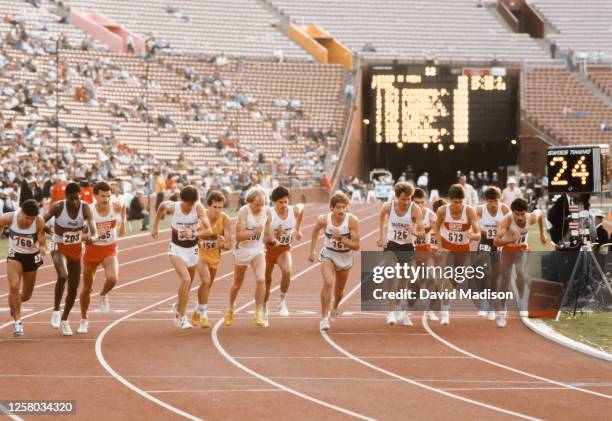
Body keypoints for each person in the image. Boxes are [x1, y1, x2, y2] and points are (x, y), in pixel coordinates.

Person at [152, 185, 212, 329]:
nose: (189, 206)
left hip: (193, 250)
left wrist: (193, 234)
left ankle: (178, 305)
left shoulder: (198, 208)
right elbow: (161, 207)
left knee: (188, 284)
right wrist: (155, 226)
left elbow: (209, 230)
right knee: (185, 279)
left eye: (192, 204)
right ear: (181, 199)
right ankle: (181, 317)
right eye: (187, 203)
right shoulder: (173, 207)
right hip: (177, 250)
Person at [44, 183, 98, 336]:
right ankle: (55, 310)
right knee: (63, 275)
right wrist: (48, 229)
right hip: (58, 245)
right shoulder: (58, 207)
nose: (75, 202)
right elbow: (41, 221)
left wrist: (92, 238)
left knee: (73, 289)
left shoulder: (85, 208)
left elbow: (95, 232)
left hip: (75, 249)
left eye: (77, 199)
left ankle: (65, 320)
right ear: (66, 197)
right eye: (72, 199)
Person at [78, 182, 126, 333]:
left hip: (109, 248)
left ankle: (103, 294)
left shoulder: (115, 206)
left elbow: (123, 207)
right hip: (92, 250)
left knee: (113, 278)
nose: (106, 199)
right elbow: (78, 234)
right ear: (95, 196)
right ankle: (84, 319)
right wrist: (89, 237)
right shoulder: (88, 211)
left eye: (108, 196)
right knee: (87, 288)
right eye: (103, 196)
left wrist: (123, 223)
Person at [309, 192, 360, 331]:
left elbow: (356, 246)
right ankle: (324, 318)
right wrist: (312, 250)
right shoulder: (323, 220)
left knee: (339, 291)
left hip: (345, 256)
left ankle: (335, 306)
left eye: (344, 207)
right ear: (331, 208)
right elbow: (315, 230)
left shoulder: (352, 221)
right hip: (329, 253)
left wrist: (341, 239)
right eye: (338, 207)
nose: (341, 210)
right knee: (328, 282)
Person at [225, 189, 275, 327]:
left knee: (261, 279)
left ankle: (258, 311)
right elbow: (239, 236)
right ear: (250, 202)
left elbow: (268, 226)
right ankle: (230, 308)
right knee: (237, 283)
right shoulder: (244, 212)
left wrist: (272, 238)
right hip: (243, 250)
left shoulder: (267, 211)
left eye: (262, 204)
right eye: (257, 204)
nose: (260, 207)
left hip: (257, 249)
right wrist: (253, 232)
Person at [377, 182, 424, 326]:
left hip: (407, 246)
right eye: (403, 199)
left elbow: (422, 234)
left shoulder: (415, 210)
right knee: (393, 275)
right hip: (391, 245)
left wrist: (414, 231)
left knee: (405, 281)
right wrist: (381, 236)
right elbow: (382, 219)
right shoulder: (388, 207)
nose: (406, 202)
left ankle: (402, 312)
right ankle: (391, 313)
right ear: (397, 197)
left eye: (408, 199)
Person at [494, 198, 547, 327]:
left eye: (522, 214)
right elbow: (496, 241)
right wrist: (511, 238)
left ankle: (522, 303)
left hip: (521, 250)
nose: (519, 217)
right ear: (512, 212)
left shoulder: (531, 218)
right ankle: (502, 310)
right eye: (516, 214)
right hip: (507, 251)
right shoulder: (507, 220)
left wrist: (542, 234)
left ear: (526, 212)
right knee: (505, 280)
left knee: (521, 272)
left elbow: (539, 213)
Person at [434, 184, 481, 325]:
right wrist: (440, 246)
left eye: (461, 201)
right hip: (447, 249)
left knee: (454, 282)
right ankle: (445, 312)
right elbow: (436, 228)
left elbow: (478, 234)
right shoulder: (442, 211)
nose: (458, 205)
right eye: (455, 202)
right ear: (450, 200)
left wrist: (472, 235)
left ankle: (442, 302)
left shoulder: (469, 212)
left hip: (462, 251)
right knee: (447, 279)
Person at [1, 199, 47, 336]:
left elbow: (41, 236)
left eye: (31, 219)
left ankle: (15, 306)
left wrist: (43, 247)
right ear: (21, 212)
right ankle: (18, 323)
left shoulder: (39, 221)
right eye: (27, 218)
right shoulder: (9, 217)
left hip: (31, 257)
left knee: (26, 295)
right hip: (15, 255)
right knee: (14, 287)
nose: (29, 221)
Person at [263, 187, 304, 326]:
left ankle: (282, 301)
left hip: (283, 248)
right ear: (274, 202)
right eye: (280, 202)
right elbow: (262, 238)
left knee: (287, 271)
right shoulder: (269, 214)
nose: (284, 205)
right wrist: (274, 236)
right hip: (268, 248)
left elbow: (302, 207)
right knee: (266, 280)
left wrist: (297, 229)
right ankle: (264, 307)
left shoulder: (294, 211)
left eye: (286, 202)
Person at [192, 190, 232, 328]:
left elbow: (228, 245)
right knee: (205, 280)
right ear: (209, 206)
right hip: (199, 254)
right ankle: (204, 315)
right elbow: (191, 236)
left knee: (207, 286)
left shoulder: (225, 219)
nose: (217, 210)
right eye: (214, 207)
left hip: (214, 257)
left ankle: (197, 308)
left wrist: (221, 244)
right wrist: (198, 240)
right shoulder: (200, 217)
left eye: (220, 207)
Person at [474, 187, 510, 321]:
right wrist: (481, 230)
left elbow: (511, 227)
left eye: (495, 201)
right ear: (486, 201)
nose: (493, 204)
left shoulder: (505, 210)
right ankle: (484, 303)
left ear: (499, 199)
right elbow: (474, 225)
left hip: (498, 244)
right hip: (485, 242)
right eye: (490, 201)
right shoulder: (480, 210)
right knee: (484, 271)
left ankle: (491, 305)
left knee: (495, 276)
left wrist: (502, 227)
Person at [412, 188, 440, 321]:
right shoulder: (405, 216)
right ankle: (403, 308)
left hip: (425, 250)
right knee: (412, 281)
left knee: (434, 280)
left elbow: (438, 234)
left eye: (422, 202)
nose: (420, 205)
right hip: (410, 251)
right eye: (417, 202)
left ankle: (430, 310)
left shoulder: (430, 215)